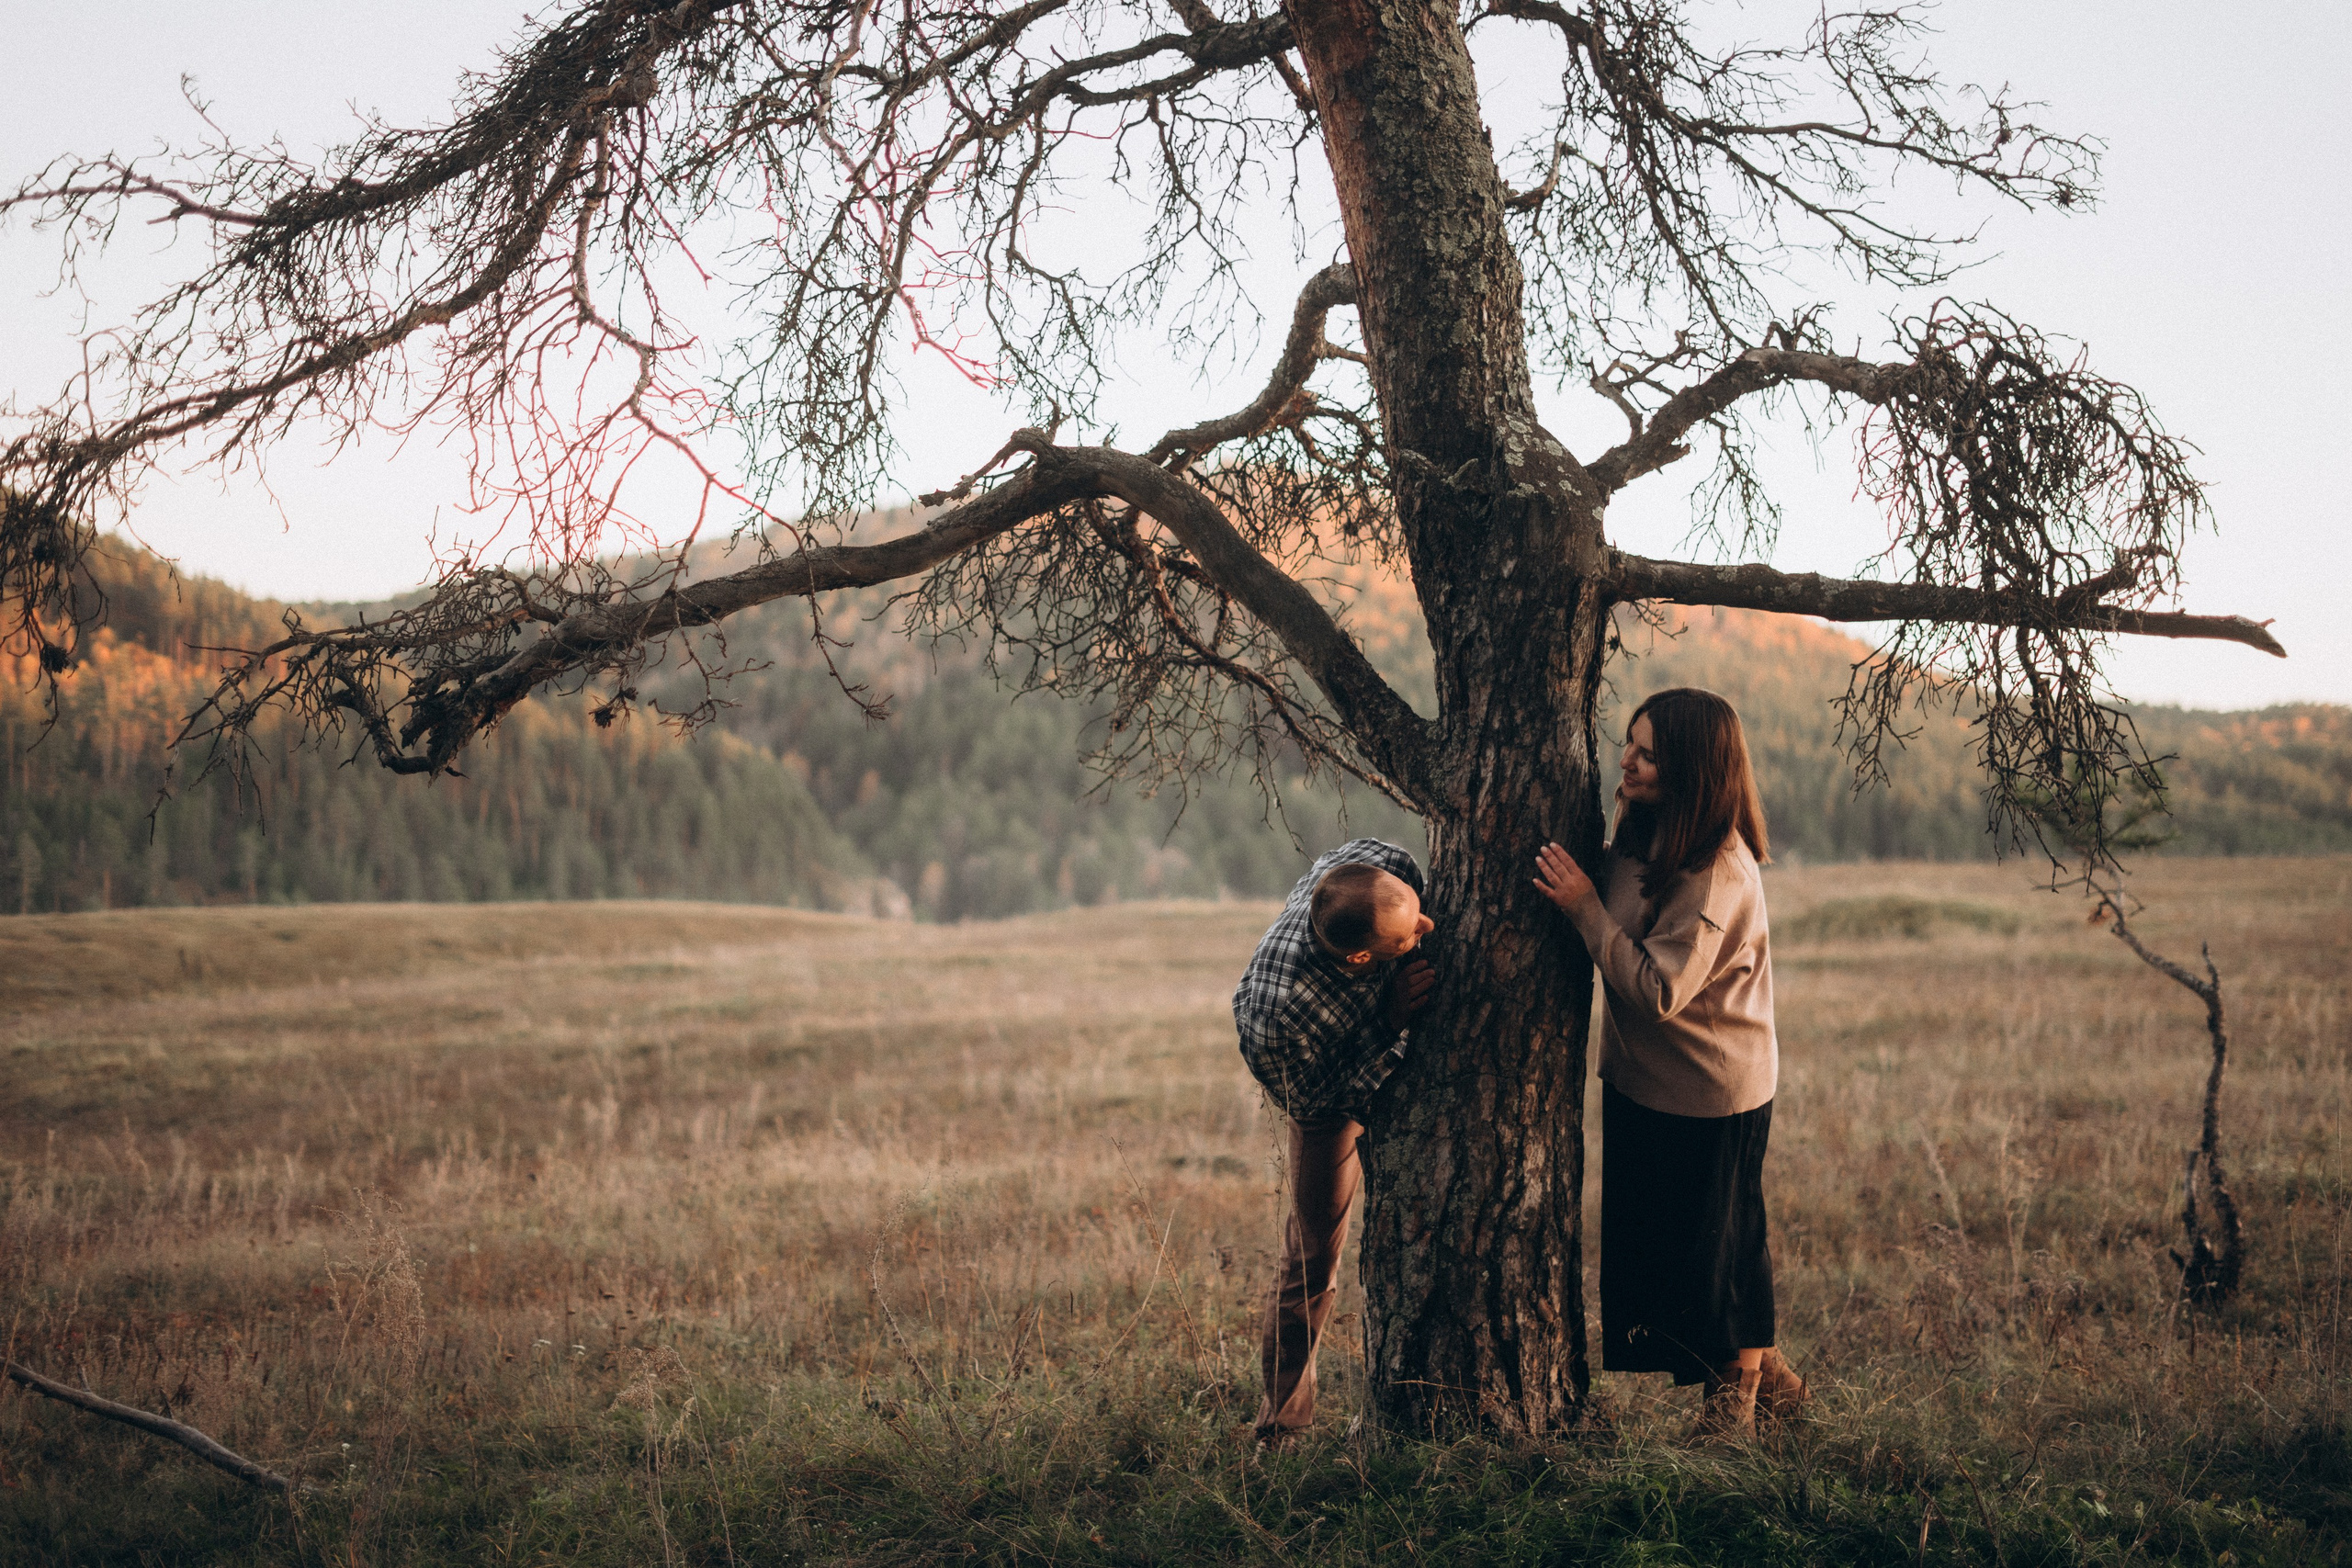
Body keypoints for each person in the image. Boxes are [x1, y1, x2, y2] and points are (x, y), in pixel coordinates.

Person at [1531, 688, 1809, 1440]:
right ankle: (1774, 1379)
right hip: (1647, 1085)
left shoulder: (1717, 869)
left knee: (1721, 1257)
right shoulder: (1643, 828)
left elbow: (1660, 990)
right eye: (1630, 742)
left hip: (1713, 1093)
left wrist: (1586, 909)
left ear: (1692, 768)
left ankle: (1731, 1417)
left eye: (1648, 752)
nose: (1627, 759)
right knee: (1686, 1257)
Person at [1233, 838, 1436, 1446]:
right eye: (1405, 939)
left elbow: (1408, 907)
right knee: (1313, 1256)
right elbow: (1324, 1099)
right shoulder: (1278, 1019)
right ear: (1357, 960)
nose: (1426, 927)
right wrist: (1389, 1024)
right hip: (1324, 1088)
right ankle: (1282, 1422)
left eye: (1415, 911)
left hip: (1367, 1030)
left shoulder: (1381, 868)